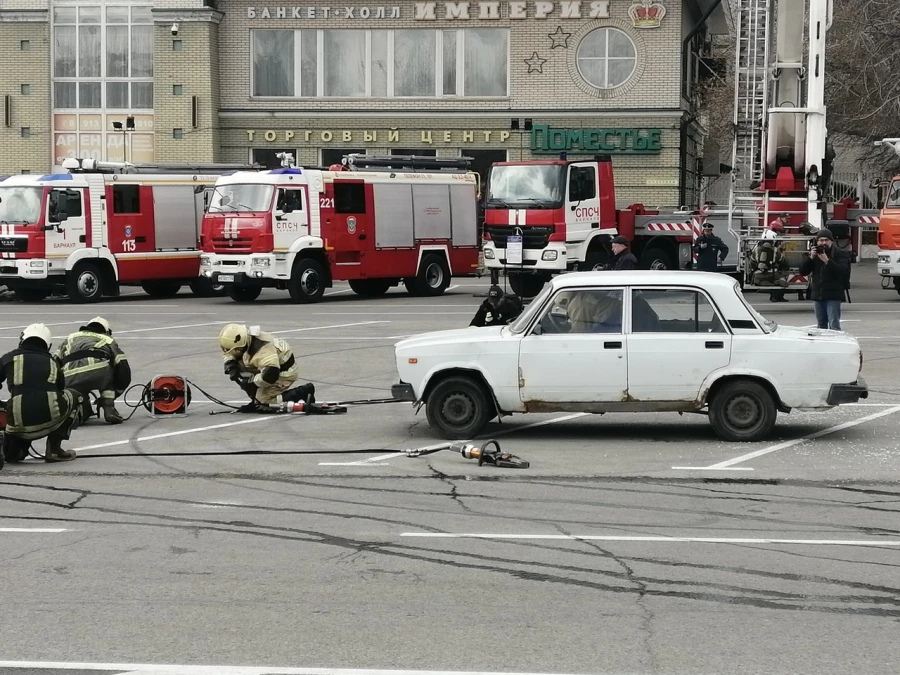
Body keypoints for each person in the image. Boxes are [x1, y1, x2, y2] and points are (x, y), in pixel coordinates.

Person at [0, 324, 82, 464]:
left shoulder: (8, 358)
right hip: (50, 417)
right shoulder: (53, 362)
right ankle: (54, 449)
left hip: (17, 420)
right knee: (75, 395)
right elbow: (60, 389)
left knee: (11, 457)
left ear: (22, 340)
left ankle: (14, 448)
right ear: (47, 345)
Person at [219, 323, 315, 410]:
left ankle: (303, 392)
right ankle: (256, 400)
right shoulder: (247, 340)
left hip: (282, 371)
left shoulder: (262, 350)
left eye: (236, 350)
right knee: (242, 375)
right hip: (270, 367)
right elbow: (231, 353)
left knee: (264, 402)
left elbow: (271, 375)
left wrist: (251, 383)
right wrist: (230, 364)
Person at [56, 317, 131, 424]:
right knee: (110, 374)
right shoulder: (108, 339)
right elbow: (123, 367)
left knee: (77, 391)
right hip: (99, 372)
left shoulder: (70, 338)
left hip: (70, 374)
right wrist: (115, 393)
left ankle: (78, 411)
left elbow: (55, 362)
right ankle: (109, 409)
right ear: (107, 331)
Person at [798, 229, 850, 330]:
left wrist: (827, 261)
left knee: (834, 324)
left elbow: (842, 272)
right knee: (821, 325)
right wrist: (811, 258)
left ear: (832, 241)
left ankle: (836, 344)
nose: (824, 243)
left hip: (833, 295)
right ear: (817, 242)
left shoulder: (840, 254)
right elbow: (803, 272)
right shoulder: (815, 255)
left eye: (826, 240)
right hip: (818, 294)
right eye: (821, 240)